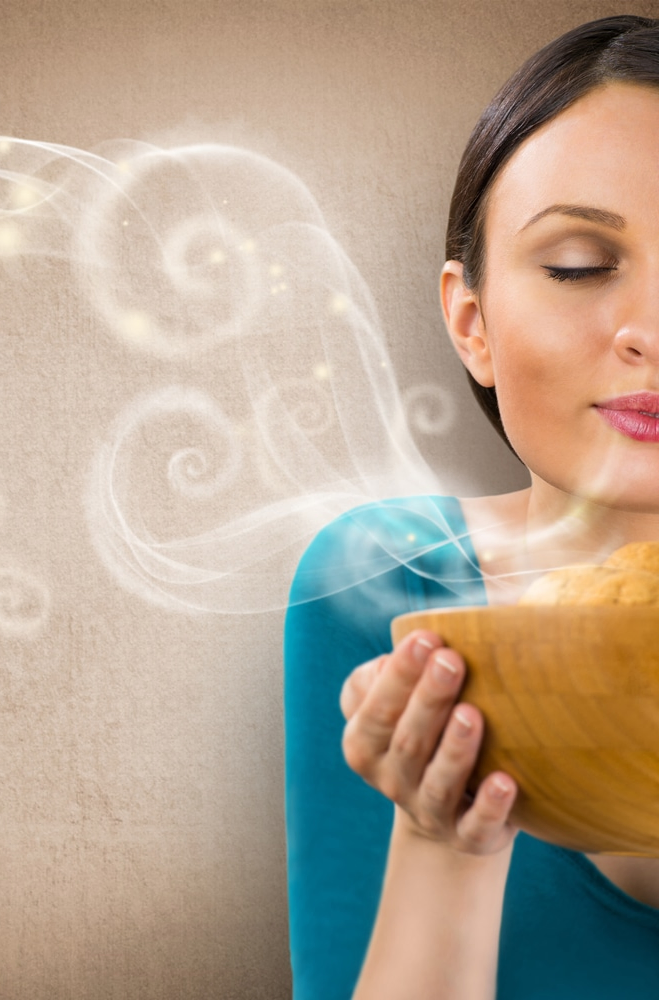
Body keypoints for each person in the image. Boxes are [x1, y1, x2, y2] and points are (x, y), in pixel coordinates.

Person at [283, 15, 659, 1000]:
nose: (651, 332)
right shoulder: (389, 581)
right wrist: (442, 833)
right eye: (578, 264)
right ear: (470, 322)